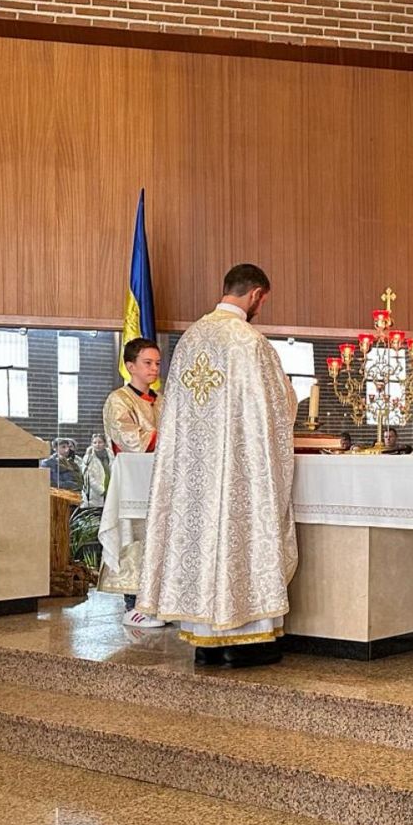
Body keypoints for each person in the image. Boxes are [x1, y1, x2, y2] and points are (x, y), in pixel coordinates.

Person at [137, 264, 298, 668]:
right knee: (239, 536)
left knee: (202, 541)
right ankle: (248, 641)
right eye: (263, 300)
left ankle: (206, 642)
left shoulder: (191, 339)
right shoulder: (249, 343)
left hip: (194, 475)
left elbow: (173, 414)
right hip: (237, 472)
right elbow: (278, 409)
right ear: (257, 294)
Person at [99, 337, 165, 628]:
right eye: (147, 363)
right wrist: (170, 438)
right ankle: (133, 604)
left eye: (157, 363)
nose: (154, 368)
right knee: (134, 538)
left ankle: (159, 602)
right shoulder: (119, 400)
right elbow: (130, 439)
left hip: (162, 483)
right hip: (133, 483)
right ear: (130, 366)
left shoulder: (163, 401)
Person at [80, 433, 111, 508]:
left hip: (109, 490)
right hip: (95, 493)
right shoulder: (88, 458)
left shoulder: (110, 456)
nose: (97, 444)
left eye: (100, 442)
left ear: (104, 443)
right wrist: (101, 490)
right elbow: (88, 477)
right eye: (95, 442)